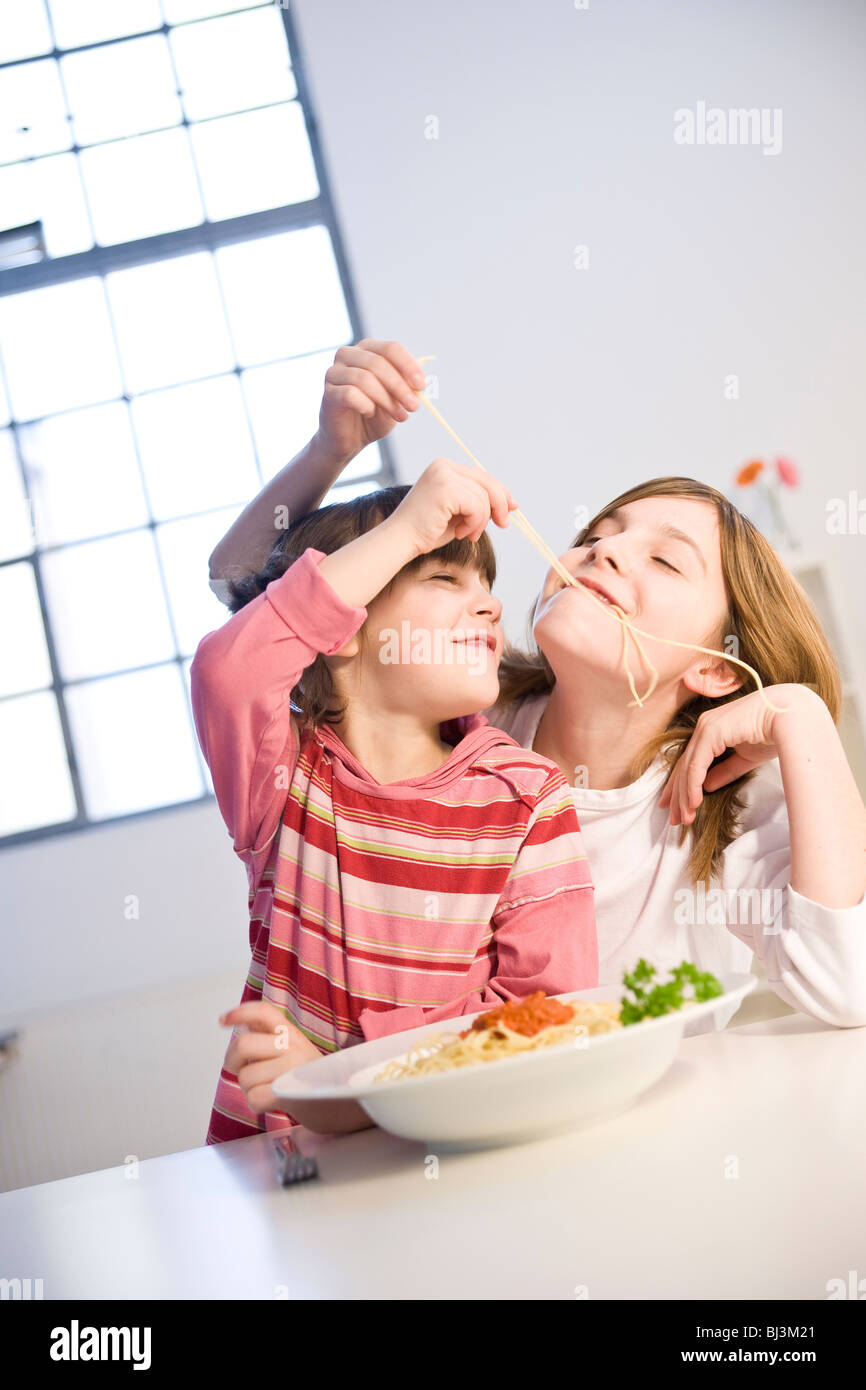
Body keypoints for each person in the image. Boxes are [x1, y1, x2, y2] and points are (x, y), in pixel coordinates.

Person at [208, 339, 866, 1060]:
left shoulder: (727, 808)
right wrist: (328, 451)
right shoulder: (452, 722)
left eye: (665, 558)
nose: (602, 552)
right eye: (597, 536)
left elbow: (847, 986)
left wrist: (799, 713)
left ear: (718, 672)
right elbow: (242, 589)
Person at [191, 460, 597, 1142]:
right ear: (341, 630)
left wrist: (341, 1083)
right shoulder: (287, 775)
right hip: (283, 1177)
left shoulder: (526, 795)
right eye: (444, 578)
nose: (491, 604)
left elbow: (547, 1012)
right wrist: (408, 529)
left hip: (444, 1158)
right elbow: (228, 669)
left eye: (487, 584)